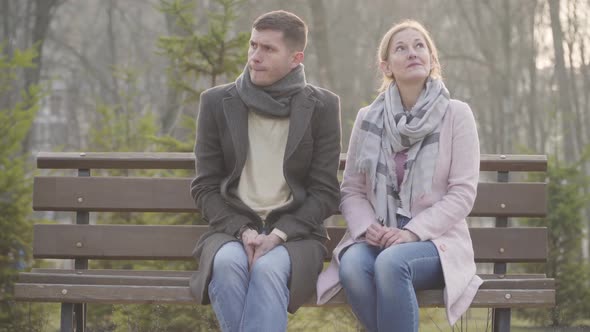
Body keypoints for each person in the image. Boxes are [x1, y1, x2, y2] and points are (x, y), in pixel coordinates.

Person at [316, 20, 483, 331]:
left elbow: (462, 194)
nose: (412, 53)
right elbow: (351, 189)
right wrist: (367, 228)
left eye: (420, 46)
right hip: (380, 233)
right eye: (401, 48)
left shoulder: (456, 114)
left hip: (435, 240)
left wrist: (412, 232)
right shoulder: (368, 119)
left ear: (433, 59)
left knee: (392, 262)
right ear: (386, 66)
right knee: (352, 265)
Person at [189, 10, 341, 332]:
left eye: (268, 49)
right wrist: (244, 231)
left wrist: (278, 235)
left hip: (295, 236)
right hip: (231, 231)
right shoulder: (218, 102)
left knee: (267, 270)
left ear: (296, 58)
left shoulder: (323, 107)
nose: (255, 57)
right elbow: (204, 187)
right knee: (228, 264)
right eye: (253, 45)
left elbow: (325, 192)